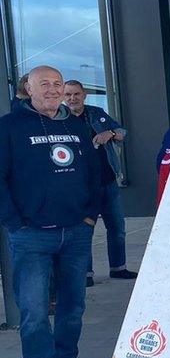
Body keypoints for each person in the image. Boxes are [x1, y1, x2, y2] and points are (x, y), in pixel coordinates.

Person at [0, 66, 103, 358]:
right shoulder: (9, 127)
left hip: (75, 232)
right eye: (43, 83)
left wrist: (89, 216)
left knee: (73, 306)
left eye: (57, 83)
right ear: (27, 88)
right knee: (33, 309)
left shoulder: (76, 125)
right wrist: (14, 222)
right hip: (30, 236)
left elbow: (95, 173)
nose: (53, 89)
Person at [63, 80, 137, 286]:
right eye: (68, 95)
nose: (72, 99)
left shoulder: (96, 113)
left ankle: (118, 268)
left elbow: (122, 132)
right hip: (81, 186)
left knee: (116, 227)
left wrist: (111, 133)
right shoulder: (60, 119)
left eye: (76, 94)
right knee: (84, 230)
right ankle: (85, 274)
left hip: (108, 181)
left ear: (84, 95)